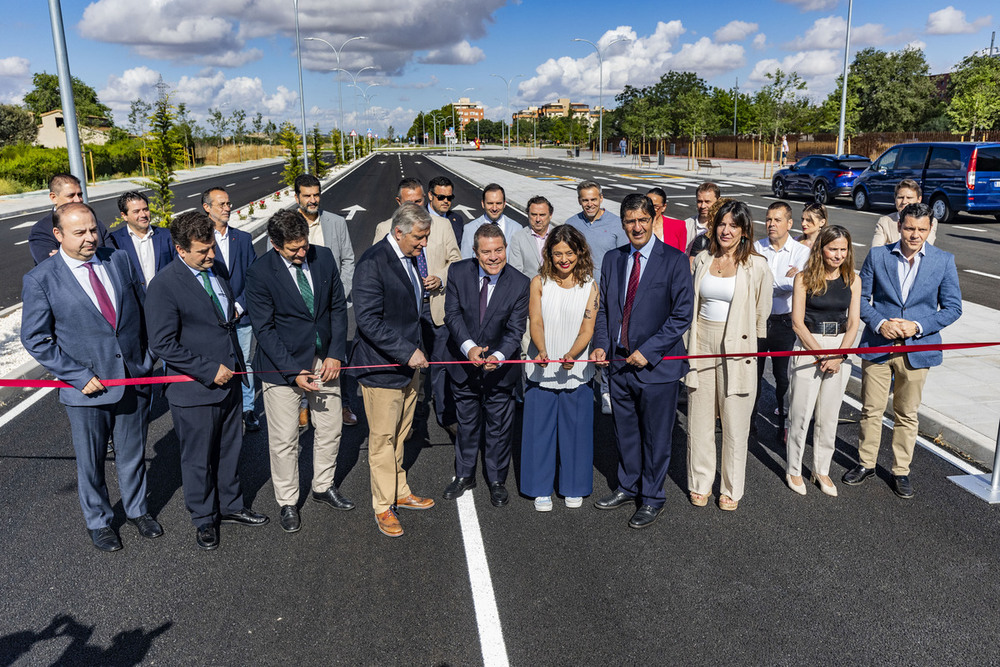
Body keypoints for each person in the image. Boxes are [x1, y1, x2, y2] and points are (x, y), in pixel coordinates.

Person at [21, 202, 160, 552]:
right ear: (58, 234)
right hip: (86, 388)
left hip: (132, 377)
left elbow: (142, 310)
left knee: (132, 452)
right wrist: (77, 375)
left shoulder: (118, 260)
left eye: (93, 230)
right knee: (91, 459)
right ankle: (99, 521)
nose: (90, 238)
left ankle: (137, 510)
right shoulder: (41, 279)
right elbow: (35, 338)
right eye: (79, 232)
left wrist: (147, 358)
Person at [145, 211, 269, 550]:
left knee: (231, 450)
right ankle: (203, 518)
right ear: (179, 250)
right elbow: (162, 343)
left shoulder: (215, 271)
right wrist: (207, 369)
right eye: (202, 251)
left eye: (211, 247)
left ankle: (231, 506)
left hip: (229, 381)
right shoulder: (164, 286)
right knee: (198, 458)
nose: (211, 255)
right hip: (194, 390)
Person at [844, 202, 962, 498]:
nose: (915, 235)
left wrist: (917, 327)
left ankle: (901, 471)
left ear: (930, 229)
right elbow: (860, 299)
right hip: (878, 344)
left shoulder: (943, 260)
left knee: (907, 414)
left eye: (922, 229)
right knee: (870, 409)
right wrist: (880, 323)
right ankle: (865, 463)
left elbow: (952, 308)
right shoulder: (878, 255)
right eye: (909, 228)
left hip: (917, 349)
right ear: (899, 226)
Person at [591, 194, 694, 528]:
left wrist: (648, 351)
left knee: (656, 437)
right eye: (630, 221)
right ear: (623, 223)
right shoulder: (613, 259)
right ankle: (628, 485)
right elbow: (605, 308)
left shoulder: (675, 260)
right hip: (619, 364)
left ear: (653, 220)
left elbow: (681, 315)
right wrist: (602, 346)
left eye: (642, 220)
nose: (636, 227)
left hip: (656, 367)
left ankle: (652, 497)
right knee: (626, 432)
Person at [246, 210, 352, 534]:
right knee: (284, 440)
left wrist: (335, 354)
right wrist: (293, 372)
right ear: (276, 245)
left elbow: (337, 307)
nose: (302, 252)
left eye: (304, 245)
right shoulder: (260, 273)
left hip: (323, 361)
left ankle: (323, 486)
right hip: (281, 368)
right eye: (294, 249)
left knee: (330, 427)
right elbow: (264, 330)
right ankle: (288, 501)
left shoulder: (324, 258)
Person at [351, 203, 437, 538]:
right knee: (383, 440)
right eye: (419, 237)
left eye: (426, 236)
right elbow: (368, 321)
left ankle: (400, 491)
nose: (424, 244)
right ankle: (383, 506)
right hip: (383, 369)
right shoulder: (373, 263)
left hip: (408, 368)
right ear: (398, 231)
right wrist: (407, 351)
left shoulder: (408, 257)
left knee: (400, 435)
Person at [686, 200, 771, 512]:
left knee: (735, 421)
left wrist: (752, 349)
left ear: (744, 230)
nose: (726, 230)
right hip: (702, 341)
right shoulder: (702, 259)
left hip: (738, 344)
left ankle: (731, 487)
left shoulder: (757, 266)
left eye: (733, 225)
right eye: (722, 224)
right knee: (699, 417)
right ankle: (700, 481)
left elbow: (762, 314)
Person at [442, 224, 530, 507]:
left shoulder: (519, 282)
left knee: (498, 428)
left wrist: (499, 356)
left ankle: (496, 480)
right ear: (475, 253)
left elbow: (515, 330)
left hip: (500, 370)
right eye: (487, 252)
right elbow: (452, 315)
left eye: (499, 250)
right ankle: (465, 475)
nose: (494, 257)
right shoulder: (457, 272)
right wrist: (469, 348)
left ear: (505, 249)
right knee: (466, 425)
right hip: (463, 365)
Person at [373, 178, 462, 432]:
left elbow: (456, 261)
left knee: (442, 364)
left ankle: (446, 414)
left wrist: (440, 278)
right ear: (399, 203)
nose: (416, 205)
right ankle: (410, 419)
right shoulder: (384, 228)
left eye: (420, 201)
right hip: (403, 312)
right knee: (407, 364)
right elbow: (377, 269)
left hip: (434, 307)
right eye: (410, 202)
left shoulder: (442, 226)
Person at [521, 225, 598, 511]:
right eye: (557, 254)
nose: (563, 259)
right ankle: (540, 487)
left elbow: (587, 327)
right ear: (548, 255)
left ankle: (573, 486)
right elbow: (536, 321)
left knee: (576, 430)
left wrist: (573, 354)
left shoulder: (590, 285)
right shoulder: (539, 282)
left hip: (575, 368)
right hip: (542, 366)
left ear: (580, 252)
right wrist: (542, 350)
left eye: (569, 253)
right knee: (538, 430)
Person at [785, 226, 861, 497]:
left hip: (839, 350)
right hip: (810, 348)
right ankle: (794, 468)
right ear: (821, 249)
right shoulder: (804, 278)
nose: (839, 255)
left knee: (829, 416)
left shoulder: (853, 279)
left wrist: (840, 355)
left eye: (843, 249)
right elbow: (797, 323)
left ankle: (821, 469)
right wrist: (821, 354)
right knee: (800, 413)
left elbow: (853, 323)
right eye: (833, 249)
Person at [293, 173, 358, 427]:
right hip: (300, 306)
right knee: (304, 354)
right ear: (296, 196)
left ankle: (342, 404)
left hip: (333, 304)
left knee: (336, 354)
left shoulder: (336, 222)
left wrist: (339, 294)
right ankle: (304, 405)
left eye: (316, 194)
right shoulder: (286, 224)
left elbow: (348, 260)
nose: (312, 200)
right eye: (307, 195)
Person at [565, 180, 626, 415]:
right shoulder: (572, 224)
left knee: (607, 345)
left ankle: (607, 390)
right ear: (579, 200)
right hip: (578, 296)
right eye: (584, 200)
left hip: (607, 297)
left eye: (593, 199)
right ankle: (581, 387)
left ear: (601, 198)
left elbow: (623, 261)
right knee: (580, 342)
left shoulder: (616, 225)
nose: (589, 203)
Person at [202, 187, 260, 433]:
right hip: (212, 319)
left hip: (240, 316)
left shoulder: (243, 239)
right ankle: (223, 408)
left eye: (228, 203)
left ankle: (247, 408)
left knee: (244, 361)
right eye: (222, 204)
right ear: (207, 208)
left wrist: (238, 305)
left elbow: (254, 278)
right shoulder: (200, 240)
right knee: (218, 363)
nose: (228, 208)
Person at [754, 201, 810, 427]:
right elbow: (752, 283)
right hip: (758, 320)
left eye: (777, 220)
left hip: (785, 323)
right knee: (752, 375)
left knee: (783, 376)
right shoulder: (757, 248)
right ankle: (749, 420)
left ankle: (783, 420)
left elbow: (799, 284)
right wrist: (786, 280)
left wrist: (767, 279)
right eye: (768, 219)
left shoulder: (802, 252)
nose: (771, 224)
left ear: (789, 223)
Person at [28, 173, 110, 265]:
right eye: (71, 196)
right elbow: (52, 266)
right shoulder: (41, 230)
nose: (78, 200)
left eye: (79, 195)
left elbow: (111, 256)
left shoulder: (96, 223)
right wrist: (96, 254)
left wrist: (67, 256)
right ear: (53, 197)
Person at [109, 191, 176, 291]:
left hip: (165, 299)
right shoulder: (115, 240)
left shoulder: (167, 235)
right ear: (124, 215)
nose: (143, 214)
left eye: (145, 209)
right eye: (136, 211)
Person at [871, 179, 938, 247]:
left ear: (919, 200)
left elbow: (926, 248)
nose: (904, 202)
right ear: (895, 199)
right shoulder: (885, 222)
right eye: (900, 197)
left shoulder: (930, 221)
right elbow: (875, 250)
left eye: (909, 198)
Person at [460, 183, 517, 259]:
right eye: (490, 203)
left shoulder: (516, 228)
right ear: (483, 204)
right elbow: (465, 262)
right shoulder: (469, 229)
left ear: (504, 204)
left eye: (498, 203)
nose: (494, 208)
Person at [508, 195, 554, 279]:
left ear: (550, 215)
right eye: (534, 214)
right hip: (530, 290)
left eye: (542, 215)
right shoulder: (518, 238)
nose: (538, 219)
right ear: (528, 215)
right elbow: (516, 271)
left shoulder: (559, 235)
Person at [427, 175, 466, 246]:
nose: (446, 201)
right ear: (430, 195)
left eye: (449, 197)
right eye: (441, 197)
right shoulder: (418, 217)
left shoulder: (457, 220)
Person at [645, 187, 687, 251]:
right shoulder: (638, 226)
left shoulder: (678, 226)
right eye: (647, 206)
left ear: (664, 207)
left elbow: (681, 254)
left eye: (655, 207)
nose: (650, 210)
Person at [685, 182, 720, 257]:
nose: (703, 206)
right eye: (699, 202)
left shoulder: (722, 227)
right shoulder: (686, 225)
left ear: (718, 201)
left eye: (707, 202)